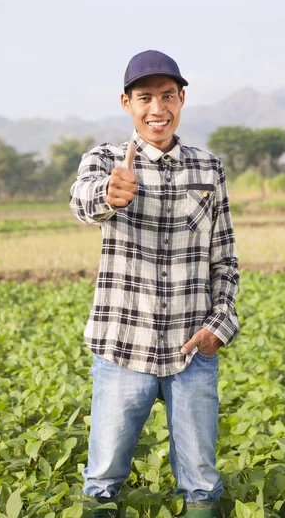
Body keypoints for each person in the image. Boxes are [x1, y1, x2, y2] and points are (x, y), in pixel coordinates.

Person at [69, 50, 240, 518]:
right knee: (102, 482)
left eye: (167, 96)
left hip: (191, 351)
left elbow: (224, 258)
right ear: (126, 102)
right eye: (144, 97)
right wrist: (108, 192)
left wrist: (218, 328)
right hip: (123, 348)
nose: (156, 108)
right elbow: (82, 201)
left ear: (181, 99)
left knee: (202, 486)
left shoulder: (209, 169)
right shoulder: (105, 161)